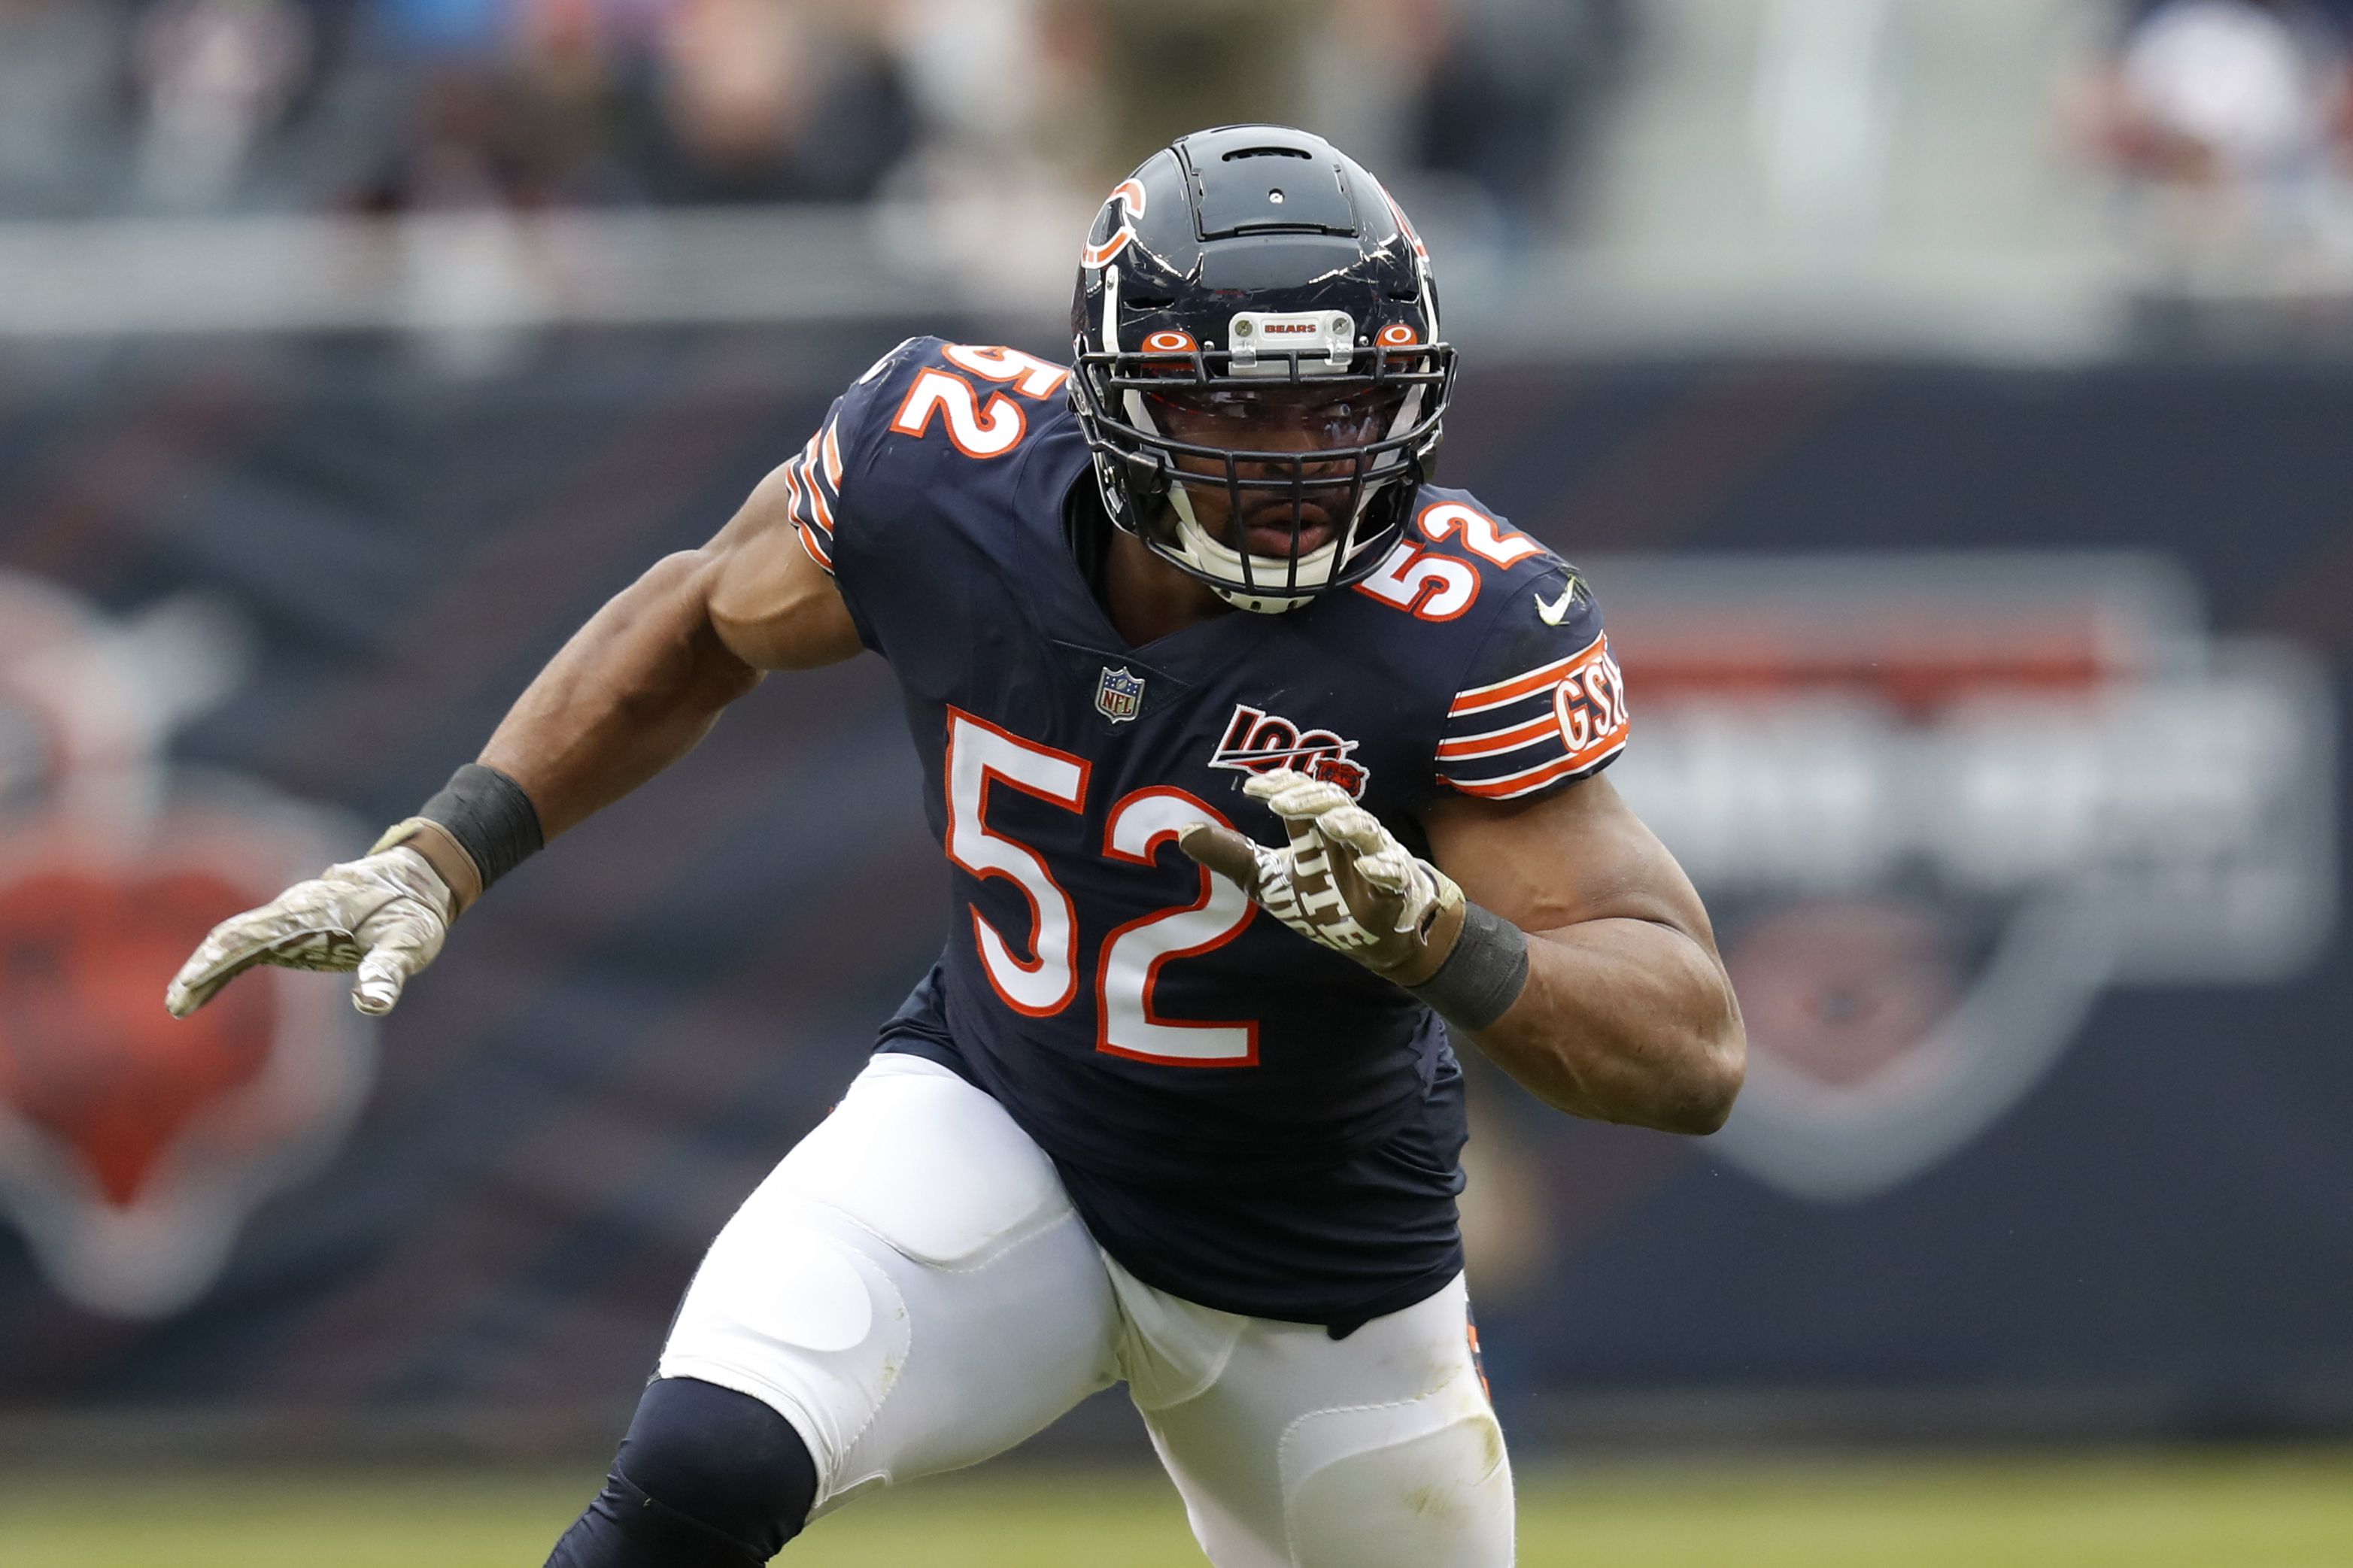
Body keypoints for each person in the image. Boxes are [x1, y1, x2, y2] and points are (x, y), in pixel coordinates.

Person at [165, 124, 1744, 1568]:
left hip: (1316, 1259)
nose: (1295, 459)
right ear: (1114, 394)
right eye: (1234, 405)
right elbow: (693, 620)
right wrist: (445, 851)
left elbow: (1690, 1048)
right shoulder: (945, 464)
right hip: (1003, 1121)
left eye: (1341, 403)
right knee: (704, 1460)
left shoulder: (1452, 625)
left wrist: (1435, 939)